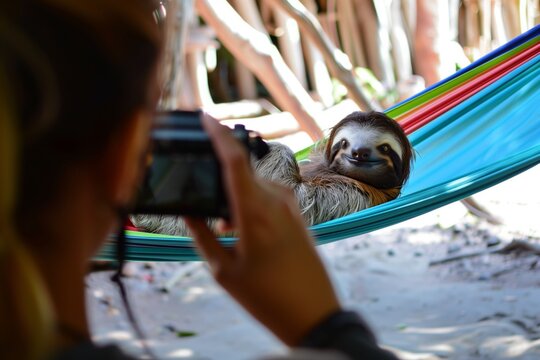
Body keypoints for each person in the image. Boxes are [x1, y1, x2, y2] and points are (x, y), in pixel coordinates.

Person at [0, 0, 399, 359]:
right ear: (124, 158)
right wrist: (329, 329)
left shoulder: (356, 194)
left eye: (381, 152)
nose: (357, 154)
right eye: (346, 145)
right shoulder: (308, 165)